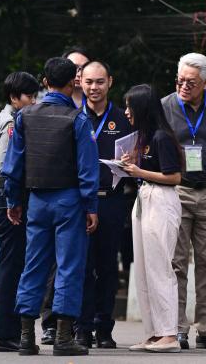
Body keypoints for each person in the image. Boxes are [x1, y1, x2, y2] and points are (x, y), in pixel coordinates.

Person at [2, 57, 100, 356]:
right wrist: (91, 205)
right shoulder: (78, 119)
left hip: (37, 201)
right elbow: (87, 169)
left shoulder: (25, 117)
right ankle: (63, 338)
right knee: (69, 267)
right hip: (69, 200)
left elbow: (13, 165)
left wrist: (13, 200)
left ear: (44, 82)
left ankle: (26, 338)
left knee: (34, 266)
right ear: (74, 82)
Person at [161, 53, 206, 350]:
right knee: (176, 263)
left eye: (190, 82)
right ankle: (177, 328)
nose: (183, 86)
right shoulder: (165, 106)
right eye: (179, 80)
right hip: (177, 190)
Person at [121, 84, 183, 353]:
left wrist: (138, 171)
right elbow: (146, 170)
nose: (126, 112)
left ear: (142, 108)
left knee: (160, 268)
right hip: (145, 199)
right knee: (145, 270)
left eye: (129, 107)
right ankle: (154, 332)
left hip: (161, 201)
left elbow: (174, 177)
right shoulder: (145, 138)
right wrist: (131, 166)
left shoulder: (161, 137)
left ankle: (169, 333)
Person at [74, 60, 132, 348]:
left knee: (108, 267)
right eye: (88, 82)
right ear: (79, 83)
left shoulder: (123, 120)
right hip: (81, 203)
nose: (94, 88)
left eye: (99, 82)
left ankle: (104, 328)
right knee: (82, 267)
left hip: (112, 201)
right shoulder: (72, 117)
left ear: (110, 81)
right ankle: (81, 328)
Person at [40, 46, 92, 345]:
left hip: (81, 194)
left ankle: (79, 326)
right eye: (73, 68)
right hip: (61, 196)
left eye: (83, 68)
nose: (78, 73)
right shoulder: (45, 110)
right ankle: (53, 326)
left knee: (78, 265)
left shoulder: (92, 108)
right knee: (55, 264)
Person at [0, 72, 39, 352]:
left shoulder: (11, 118)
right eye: (29, 96)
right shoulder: (10, 122)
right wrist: (13, 202)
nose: (33, 101)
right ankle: (5, 334)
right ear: (13, 97)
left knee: (13, 265)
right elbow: (8, 167)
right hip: (6, 197)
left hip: (3, 197)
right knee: (10, 267)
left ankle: (10, 332)